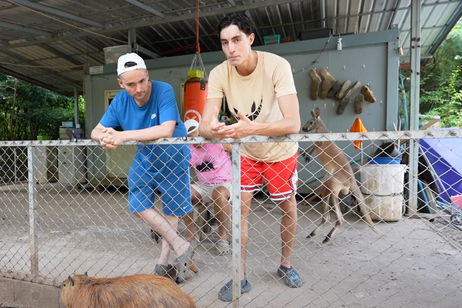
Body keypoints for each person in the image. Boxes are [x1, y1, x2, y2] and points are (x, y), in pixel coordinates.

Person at [199, 13, 303, 301]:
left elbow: (293, 122)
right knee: (239, 211)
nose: (230, 48)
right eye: (224, 43)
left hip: (281, 152)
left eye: (236, 40)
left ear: (250, 39)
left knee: (288, 207)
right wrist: (216, 130)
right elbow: (206, 123)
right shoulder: (219, 72)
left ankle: (286, 264)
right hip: (246, 153)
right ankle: (239, 275)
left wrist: (251, 128)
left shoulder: (277, 66)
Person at [91, 53, 194, 282]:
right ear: (120, 83)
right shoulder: (119, 100)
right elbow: (96, 131)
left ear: (148, 76)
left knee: (172, 210)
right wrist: (105, 138)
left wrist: (122, 136)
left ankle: (163, 263)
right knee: (137, 204)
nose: (139, 88)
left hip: (173, 155)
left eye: (142, 81)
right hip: (146, 156)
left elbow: (166, 129)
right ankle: (180, 244)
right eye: (131, 84)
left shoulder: (163, 89)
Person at [182, 119, 232, 256]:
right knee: (183, 193)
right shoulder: (189, 150)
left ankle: (222, 238)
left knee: (218, 194)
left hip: (225, 184)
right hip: (203, 186)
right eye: (191, 137)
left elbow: (235, 148)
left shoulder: (217, 142)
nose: (196, 139)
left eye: (197, 134)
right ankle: (192, 236)